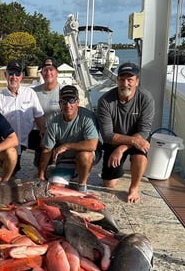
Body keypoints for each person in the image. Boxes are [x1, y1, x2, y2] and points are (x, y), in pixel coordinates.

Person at [96, 62, 154, 203]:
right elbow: (107, 135)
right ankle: (119, 170)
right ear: (117, 80)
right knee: (109, 184)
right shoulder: (105, 101)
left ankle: (134, 187)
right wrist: (128, 143)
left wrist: (123, 148)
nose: (125, 83)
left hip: (137, 138)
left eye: (130, 80)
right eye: (122, 79)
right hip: (115, 140)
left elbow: (144, 130)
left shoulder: (146, 98)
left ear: (137, 81)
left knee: (140, 156)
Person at [38, 85, 100, 193]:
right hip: (66, 159)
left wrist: (66, 145)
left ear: (77, 102)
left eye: (71, 100)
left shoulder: (88, 117)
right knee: (55, 189)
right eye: (64, 101)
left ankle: (82, 185)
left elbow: (92, 145)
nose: (68, 105)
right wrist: (41, 175)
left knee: (84, 155)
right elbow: (47, 149)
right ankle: (71, 173)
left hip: (86, 155)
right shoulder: (54, 122)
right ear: (60, 104)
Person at [0, 59, 46, 175]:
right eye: (11, 73)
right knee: (12, 171)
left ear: (21, 76)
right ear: (5, 75)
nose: (14, 77)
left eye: (17, 73)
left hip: (29, 135)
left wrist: (43, 131)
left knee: (48, 144)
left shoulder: (30, 93)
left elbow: (38, 116)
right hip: (10, 139)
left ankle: (42, 173)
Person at [31, 56, 61, 166]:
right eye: (45, 70)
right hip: (39, 134)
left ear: (57, 72)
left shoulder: (63, 91)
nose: (48, 73)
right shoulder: (33, 92)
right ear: (42, 73)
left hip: (59, 135)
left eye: (51, 69)